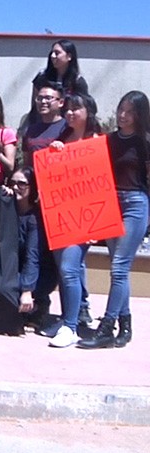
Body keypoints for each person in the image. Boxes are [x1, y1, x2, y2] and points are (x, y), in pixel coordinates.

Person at [79, 91, 150, 350]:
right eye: (121, 109)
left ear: (140, 115)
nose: (123, 115)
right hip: (110, 203)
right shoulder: (107, 141)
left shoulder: (144, 143)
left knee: (119, 267)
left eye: (130, 112)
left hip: (135, 203)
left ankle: (106, 326)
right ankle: (126, 323)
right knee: (120, 269)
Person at [46, 93, 101, 348]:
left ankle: (70, 327)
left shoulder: (98, 142)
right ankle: (71, 318)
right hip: (61, 216)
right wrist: (54, 153)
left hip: (85, 219)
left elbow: (103, 186)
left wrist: (97, 225)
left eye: (75, 109)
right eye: (67, 109)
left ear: (88, 111)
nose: (70, 113)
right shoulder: (63, 139)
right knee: (68, 272)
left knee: (69, 269)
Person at [3, 167, 41, 319]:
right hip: (12, 269)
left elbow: (33, 256)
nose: (15, 187)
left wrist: (27, 290)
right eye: (12, 183)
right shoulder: (6, 209)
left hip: (35, 274)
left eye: (22, 184)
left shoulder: (34, 219)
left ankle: (39, 304)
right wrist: (2, 199)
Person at [20, 80, 66, 167]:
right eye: (39, 98)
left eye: (48, 98)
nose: (43, 102)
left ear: (61, 102)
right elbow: (27, 163)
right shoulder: (30, 130)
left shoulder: (67, 127)